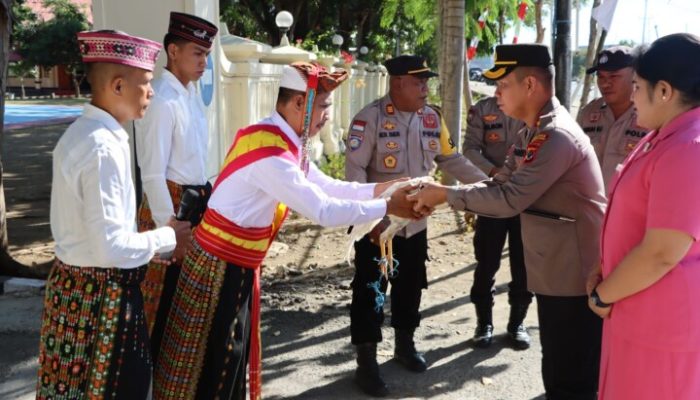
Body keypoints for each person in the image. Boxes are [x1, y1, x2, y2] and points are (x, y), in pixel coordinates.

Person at [152, 61, 419, 400]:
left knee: (225, 361)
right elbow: (322, 209)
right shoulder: (273, 153)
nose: (326, 116)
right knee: (212, 364)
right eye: (323, 106)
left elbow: (326, 186)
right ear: (298, 104)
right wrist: (387, 206)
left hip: (233, 264)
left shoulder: (276, 137)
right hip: (219, 270)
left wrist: (383, 189)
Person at [409, 44, 606, 400]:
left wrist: (445, 195)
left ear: (530, 85)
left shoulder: (556, 136)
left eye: (503, 85)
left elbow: (510, 199)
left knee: (573, 378)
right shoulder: (533, 131)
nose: (496, 92)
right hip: (555, 272)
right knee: (558, 371)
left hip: (574, 276)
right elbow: (501, 183)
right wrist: (443, 192)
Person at [35, 30, 191, 400]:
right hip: (101, 300)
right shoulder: (103, 148)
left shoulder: (81, 134)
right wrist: (169, 237)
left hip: (73, 291)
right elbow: (111, 248)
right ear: (119, 85)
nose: (152, 92)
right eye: (147, 83)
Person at [345, 54, 488, 397]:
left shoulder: (431, 118)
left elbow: (452, 159)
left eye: (427, 81)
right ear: (397, 83)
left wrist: (489, 188)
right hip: (379, 225)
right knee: (370, 290)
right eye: (418, 81)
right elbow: (355, 172)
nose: (426, 87)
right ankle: (366, 360)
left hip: (417, 224)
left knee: (411, 285)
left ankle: (404, 345)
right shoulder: (369, 120)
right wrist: (370, 217)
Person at [587, 33, 700, 400]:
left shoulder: (689, 148)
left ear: (664, 91)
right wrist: (603, 266)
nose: (632, 96)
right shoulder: (665, 136)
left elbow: (662, 251)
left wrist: (603, 295)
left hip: (660, 326)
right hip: (636, 308)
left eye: (637, 86)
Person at [135, 11, 218, 364]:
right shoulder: (163, 101)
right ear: (173, 51)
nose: (204, 62)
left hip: (193, 206)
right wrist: (168, 230)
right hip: (168, 209)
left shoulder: (188, 96)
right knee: (157, 307)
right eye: (197, 53)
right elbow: (151, 172)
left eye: (206, 54)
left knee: (186, 308)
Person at [462, 96, 531, 349]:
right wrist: (496, 173)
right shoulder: (483, 109)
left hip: (526, 197)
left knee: (524, 264)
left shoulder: (535, 108)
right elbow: (469, 148)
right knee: (486, 261)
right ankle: (484, 323)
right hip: (492, 195)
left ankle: (517, 324)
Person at [577, 46, 648, 190]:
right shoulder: (588, 113)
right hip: (588, 208)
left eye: (614, 76)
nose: (605, 83)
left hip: (629, 210)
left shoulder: (650, 116)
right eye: (600, 77)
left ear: (635, 76)